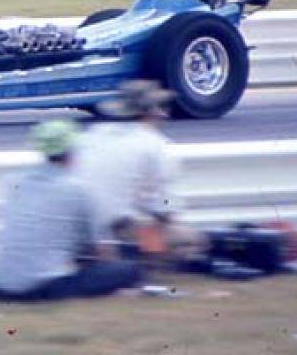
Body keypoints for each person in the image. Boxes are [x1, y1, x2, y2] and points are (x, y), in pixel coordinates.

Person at [0, 119, 142, 302]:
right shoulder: (78, 189)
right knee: (129, 269)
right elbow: (102, 249)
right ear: (72, 150)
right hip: (44, 286)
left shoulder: (12, 181)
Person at [73, 79, 207, 266]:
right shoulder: (154, 144)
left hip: (76, 229)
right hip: (117, 230)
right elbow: (164, 203)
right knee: (190, 239)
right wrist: (166, 219)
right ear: (150, 113)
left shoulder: (89, 136)